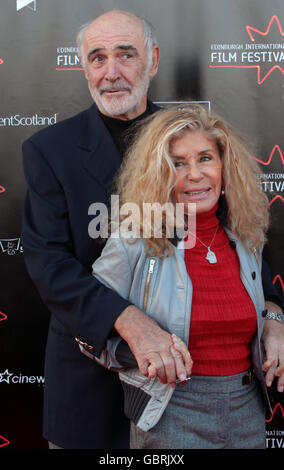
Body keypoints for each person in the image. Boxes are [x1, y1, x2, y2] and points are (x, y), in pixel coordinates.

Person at [21, 9, 283, 449]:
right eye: (97, 58)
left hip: (186, 396)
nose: (111, 73)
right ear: (83, 66)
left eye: (126, 55)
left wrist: (272, 312)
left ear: (154, 60)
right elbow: (49, 265)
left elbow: (242, 238)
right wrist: (128, 321)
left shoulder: (188, 138)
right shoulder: (50, 150)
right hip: (92, 381)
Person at [91, 105, 284, 449]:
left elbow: (265, 301)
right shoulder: (134, 240)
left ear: (226, 169)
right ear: (159, 175)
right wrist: (142, 353)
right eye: (178, 163)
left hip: (248, 413)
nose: (194, 174)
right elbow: (85, 328)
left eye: (205, 158)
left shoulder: (245, 239)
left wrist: (275, 319)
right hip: (169, 415)